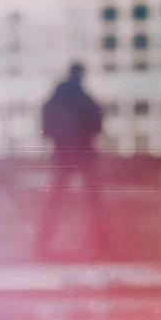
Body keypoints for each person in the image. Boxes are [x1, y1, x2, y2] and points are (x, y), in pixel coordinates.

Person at [37, 63, 104, 261]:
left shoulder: (58, 98)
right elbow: (97, 123)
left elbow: (46, 125)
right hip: (82, 154)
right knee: (93, 202)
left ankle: (42, 246)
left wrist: (60, 138)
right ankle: (102, 246)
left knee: (55, 201)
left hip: (64, 153)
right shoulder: (84, 99)